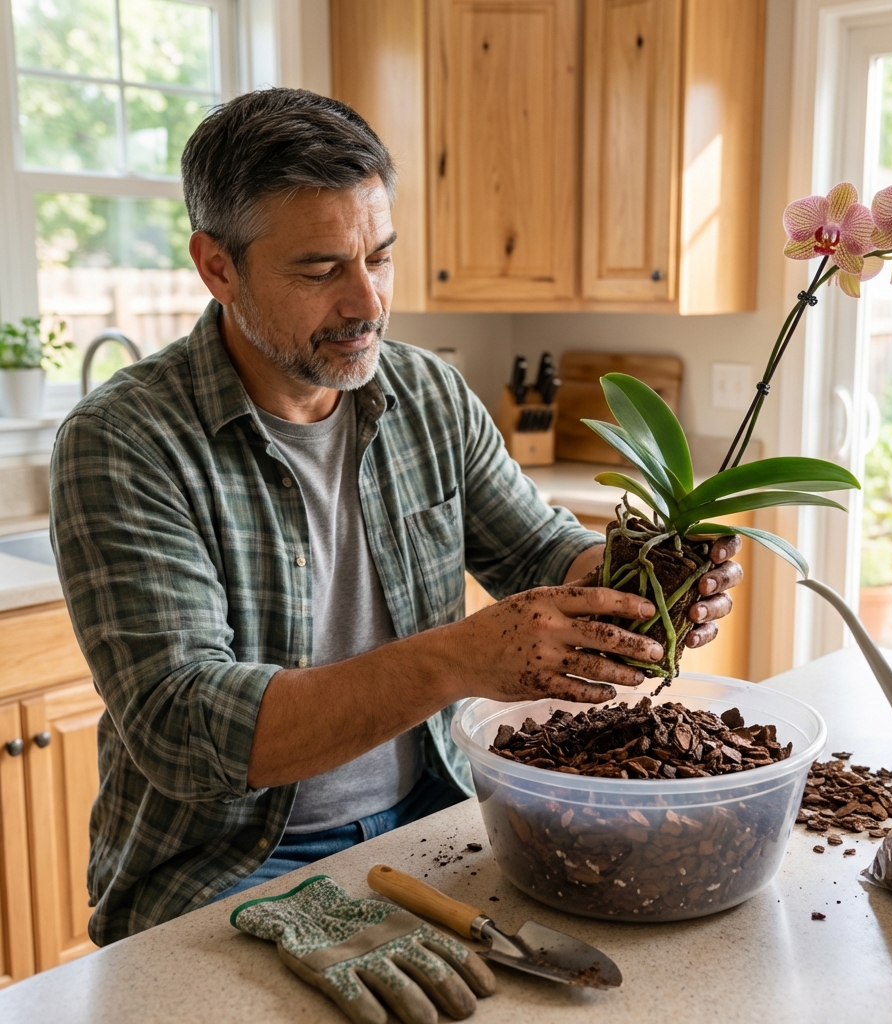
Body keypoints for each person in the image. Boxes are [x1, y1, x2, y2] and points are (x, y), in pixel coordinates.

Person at [49, 88, 742, 946]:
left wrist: (647, 587)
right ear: (217, 266)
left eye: (379, 256)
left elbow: (537, 548)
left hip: (434, 813)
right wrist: (457, 659)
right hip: (225, 865)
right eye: (320, 270)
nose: (368, 303)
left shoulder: (426, 393)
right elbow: (185, 726)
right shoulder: (122, 441)